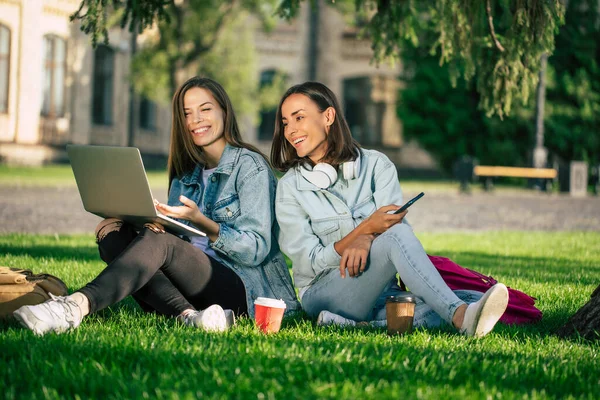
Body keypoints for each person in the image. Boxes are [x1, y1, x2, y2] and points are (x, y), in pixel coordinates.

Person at [14, 77, 300, 336]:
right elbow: (180, 242)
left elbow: (256, 248)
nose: (195, 120)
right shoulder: (186, 173)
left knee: (161, 244)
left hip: (242, 290)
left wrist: (203, 223)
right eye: (187, 113)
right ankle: (189, 315)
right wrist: (153, 224)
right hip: (192, 283)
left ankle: (73, 307)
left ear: (224, 111)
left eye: (205, 109)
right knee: (111, 232)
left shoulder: (250, 167)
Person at [271, 81, 508, 337]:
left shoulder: (376, 166)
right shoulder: (290, 188)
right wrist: (364, 230)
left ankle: (356, 325)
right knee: (403, 244)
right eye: (286, 122)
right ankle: (460, 316)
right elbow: (310, 263)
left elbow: (395, 229)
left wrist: (367, 238)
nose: (291, 130)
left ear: (328, 116)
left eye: (299, 118)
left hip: (382, 292)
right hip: (324, 293)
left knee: (472, 296)